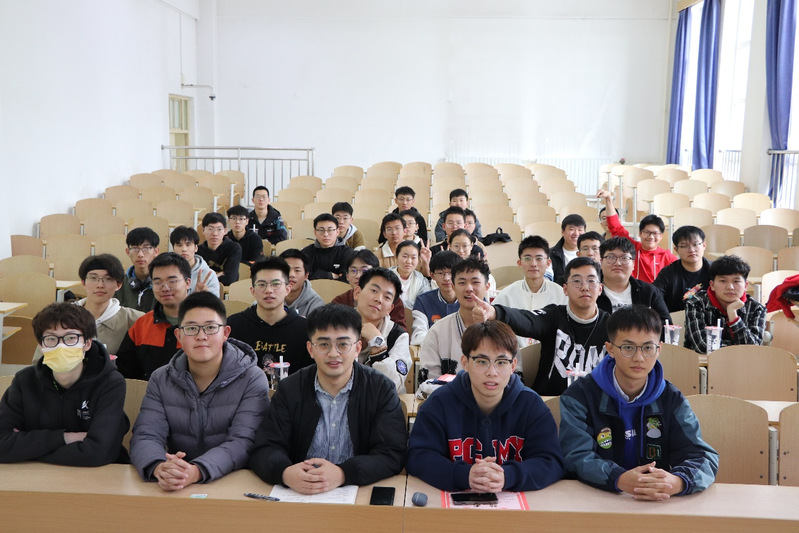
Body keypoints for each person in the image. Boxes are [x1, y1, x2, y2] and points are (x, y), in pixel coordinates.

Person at [559, 305, 718, 499]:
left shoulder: (671, 398)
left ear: (659, 349)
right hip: (596, 498)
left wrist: (677, 482)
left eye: (648, 348)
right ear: (610, 349)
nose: (639, 357)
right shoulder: (580, 396)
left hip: (655, 501)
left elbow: (702, 456)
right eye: (628, 347)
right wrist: (619, 478)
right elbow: (576, 456)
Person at [248, 304, 406, 494]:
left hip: (358, 492)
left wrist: (343, 473)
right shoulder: (289, 389)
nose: (333, 353)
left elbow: (391, 454)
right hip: (299, 492)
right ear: (310, 349)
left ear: (357, 348)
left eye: (343, 344)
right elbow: (265, 447)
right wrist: (285, 473)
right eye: (323, 344)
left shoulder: (380, 389)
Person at [130, 292, 270, 491]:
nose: (201, 336)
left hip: (232, 483)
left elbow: (243, 441)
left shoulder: (252, 378)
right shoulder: (161, 378)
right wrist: (160, 467)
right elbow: (146, 435)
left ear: (226, 333)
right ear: (178, 335)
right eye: (191, 328)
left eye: (211, 328)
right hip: (175, 483)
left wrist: (196, 471)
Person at [407, 321, 564, 492]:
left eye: (501, 362)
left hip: (513, 503)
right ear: (465, 363)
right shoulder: (439, 403)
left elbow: (551, 462)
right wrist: (464, 475)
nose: (492, 372)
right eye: (482, 361)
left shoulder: (531, 405)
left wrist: (508, 476)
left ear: (513, 366)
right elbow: (418, 456)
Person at [0, 303, 129, 465]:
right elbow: (2, 444)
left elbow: (97, 452)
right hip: (37, 475)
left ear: (87, 343)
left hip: (99, 475)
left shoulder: (110, 383)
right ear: (41, 346)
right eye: (51, 339)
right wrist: (66, 437)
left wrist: (27, 450)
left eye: (71, 338)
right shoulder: (24, 381)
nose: (61, 346)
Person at [472, 257, 609, 396]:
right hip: (549, 400)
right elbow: (527, 320)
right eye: (577, 281)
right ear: (565, 289)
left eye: (591, 281)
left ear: (600, 289)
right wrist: (495, 312)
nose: (585, 287)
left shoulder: (611, 325)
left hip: (596, 403)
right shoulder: (554, 316)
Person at [227, 257, 313, 374]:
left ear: (287, 289)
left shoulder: (305, 329)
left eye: (276, 284)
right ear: (252, 291)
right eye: (262, 284)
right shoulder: (234, 325)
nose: (269, 290)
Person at [116, 253, 192, 381]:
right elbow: (125, 371)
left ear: (188, 283)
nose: (165, 288)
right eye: (157, 282)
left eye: (172, 281)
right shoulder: (142, 325)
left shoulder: (204, 325)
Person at [419, 257, 492, 381]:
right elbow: (429, 383)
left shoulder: (502, 331)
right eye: (462, 283)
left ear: (487, 286)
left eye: (475, 282)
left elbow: (513, 377)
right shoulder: (437, 331)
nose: (469, 288)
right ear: (453, 287)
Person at [493, 236, 567, 348]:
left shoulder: (561, 294)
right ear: (519, 263)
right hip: (515, 354)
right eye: (527, 258)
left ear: (548, 263)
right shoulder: (506, 295)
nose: (533, 264)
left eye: (539, 258)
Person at [683, 255, 766, 353]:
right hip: (704, 362)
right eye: (723, 281)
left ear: (746, 286)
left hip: (742, 362)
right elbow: (702, 346)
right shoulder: (696, 304)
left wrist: (734, 317)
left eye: (736, 281)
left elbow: (753, 349)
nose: (730, 287)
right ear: (712, 285)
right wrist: (737, 346)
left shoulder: (756, 309)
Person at [597, 189, 677, 283]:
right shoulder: (631, 248)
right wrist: (608, 199)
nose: (651, 237)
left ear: (661, 236)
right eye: (647, 232)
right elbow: (615, 227)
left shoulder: (667, 257)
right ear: (640, 233)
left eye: (655, 233)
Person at [354, 268, 412, 393]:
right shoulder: (337, 326)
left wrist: (378, 345)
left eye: (387, 297)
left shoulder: (398, 336)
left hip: (381, 403)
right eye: (374, 291)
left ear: (390, 308)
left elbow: (394, 385)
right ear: (357, 293)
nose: (379, 299)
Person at [75, 254, 143, 355]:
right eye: (93, 278)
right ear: (83, 282)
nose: (100, 285)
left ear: (118, 284)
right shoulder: (64, 317)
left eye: (108, 279)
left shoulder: (135, 320)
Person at [596, 237, 671, 325]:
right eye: (611, 257)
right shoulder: (591, 291)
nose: (618, 263)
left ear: (633, 264)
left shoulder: (648, 292)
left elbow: (666, 325)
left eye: (624, 258)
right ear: (601, 262)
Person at [332, 249, 407, 328]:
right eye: (353, 270)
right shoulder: (340, 301)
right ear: (347, 276)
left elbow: (400, 330)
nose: (358, 276)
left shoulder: (392, 302)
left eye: (364, 271)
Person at [653, 226, 712, 312]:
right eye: (684, 246)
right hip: (675, 319)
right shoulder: (667, 273)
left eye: (695, 244)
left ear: (704, 245)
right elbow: (655, 298)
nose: (691, 250)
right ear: (676, 250)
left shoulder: (715, 271)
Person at [411, 250, 460, 346]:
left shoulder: (473, 299)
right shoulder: (423, 301)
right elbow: (417, 337)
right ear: (432, 275)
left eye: (451, 273)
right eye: (441, 273)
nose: (446, 278)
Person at [114, 226, 160, 312]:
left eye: (146, 248)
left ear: (156, 251)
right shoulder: (119, 284)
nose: (140, 254)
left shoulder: (162, 284)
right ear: (127, 251)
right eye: (135, 248)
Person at [301, 213, 356, 279]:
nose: (326, 234)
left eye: (330, 230)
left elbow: (348, 279)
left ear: (337, 232)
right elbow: (302, 278)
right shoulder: (306, 253)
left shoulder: (348, 253)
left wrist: (315, 274)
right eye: (321, 230)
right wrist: (329, 275)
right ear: (315, 232)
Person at [169, 225, 220, 297]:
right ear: (173, 248)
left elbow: (215, 303)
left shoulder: (209, 275)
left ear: (196, 248)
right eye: (179, 245)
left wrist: (202, 297)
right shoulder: (167, 272)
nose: (184, 249)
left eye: (188, 245)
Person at [197, 212, 242, 286]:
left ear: (225, 231)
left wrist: (206, 278)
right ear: (203, 230)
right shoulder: (197, 250)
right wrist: (219, 274)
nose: (215, 233)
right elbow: (194, 278)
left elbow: (230, 279)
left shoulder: (233, 248)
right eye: (210, 229)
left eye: (219, 229)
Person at [279, 249, 325, 317]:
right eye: (286, 270)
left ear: (306, 275)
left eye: (297, 270)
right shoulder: (269, 295)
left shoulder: (316, 304)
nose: (291, 275)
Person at [389, 240, 431, 310]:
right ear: (396, 257)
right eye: (405, 256)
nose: (409, 261)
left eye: (413, 258)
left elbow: (424, 304)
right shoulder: (386, 277)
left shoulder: (421, 280)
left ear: (418, 259)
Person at [550, 214, 586, 285]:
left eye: (580, 230)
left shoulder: (589, 254)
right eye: (571, 229)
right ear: (562, 232)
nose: (576, 233)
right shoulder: (550, 254)